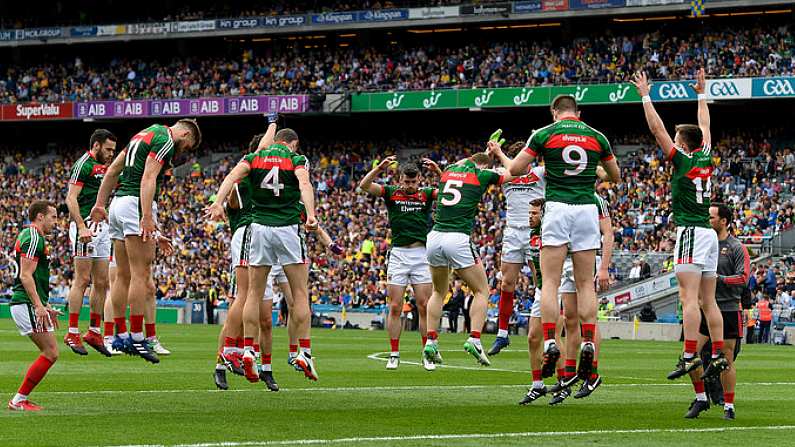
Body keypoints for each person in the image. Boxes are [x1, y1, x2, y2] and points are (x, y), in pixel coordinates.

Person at [631, 68, 728, 419]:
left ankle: (690, 354)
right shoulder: (705, 156)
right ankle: (716, 351)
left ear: (682, 143)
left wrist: (645, 95)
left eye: (677, 137)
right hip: (708, 234)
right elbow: (706, 126)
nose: (672, 139)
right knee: (708, 300)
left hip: (689, 231)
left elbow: (656, 129)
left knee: (689, 299)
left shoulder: (685, 159)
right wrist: (702, 93)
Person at [508, 94, 620, 381]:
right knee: (585, 284)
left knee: (551, 281)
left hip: (557, 208)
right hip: (585, 208)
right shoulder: (597, 136)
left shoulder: (544, 133)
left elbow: (515, 169)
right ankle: (587, 343)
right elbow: (615, 175)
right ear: (578, 113)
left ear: (554, 112)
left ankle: (549, 341)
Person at [207, 128, 319, 381]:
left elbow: (231, 177)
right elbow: (304, 183)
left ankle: (248, 350)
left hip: (258, 229)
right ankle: (304, 351)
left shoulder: (253, 160)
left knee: (251, 295)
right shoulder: (295, 159)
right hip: (286, 227)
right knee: (299, 293)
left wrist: (217, 202)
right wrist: (311, 214)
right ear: (293, 144)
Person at [91, 119, 201, 363]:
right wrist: (148, 217)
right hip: (135, 204)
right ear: (185, 133)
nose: (185, 149)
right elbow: (149, 178)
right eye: (188, 144)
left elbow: (112, 171)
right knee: (141, 273)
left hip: (118, 203)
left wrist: (100, 204)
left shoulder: (142, 135)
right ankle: (138, 337)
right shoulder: (165, 139)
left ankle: (119, 335)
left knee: (122, 275)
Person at [423, 147, 505, 369]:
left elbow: (462, 165)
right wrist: (497, 154)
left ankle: (430, 341)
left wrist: (484, 153)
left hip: (434, 237)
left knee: (438, 291)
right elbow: (512, 172)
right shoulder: (483, 174)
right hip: (457, 238)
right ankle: (475, 338)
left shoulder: (449, 171)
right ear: (484, 166)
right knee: (481, 290)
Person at [359, 156, 438, 370]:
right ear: (400, 179)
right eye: (406, 182)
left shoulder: (427, 194)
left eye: (413, 182)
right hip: (399, 255)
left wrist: (439, 170)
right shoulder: (391, 192)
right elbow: (364, 185)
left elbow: (451, 194)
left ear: (419, 179)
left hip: (421, 254)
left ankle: (427, 352)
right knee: (395, 306)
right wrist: (379, 168)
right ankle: (394, 353)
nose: (409, 186)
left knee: (424, 306)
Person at [485, 136, 545, 356]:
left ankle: (546, 330)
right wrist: (489, 154)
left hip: (535, 232)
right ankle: (502, 335)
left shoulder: (539, 173)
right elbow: (479, 171)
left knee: (541, 283)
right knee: (507, 284)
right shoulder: (505, 175)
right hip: (512, 233)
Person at [694, 203, 751, 420]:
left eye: (711, 217)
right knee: (689, 356)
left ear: (724, 221)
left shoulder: (736, 247)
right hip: (704, 309)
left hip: (727, 309)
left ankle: (728, 405)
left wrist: (719, 279)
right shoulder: (703, 244)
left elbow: (744, 278)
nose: (707, 220)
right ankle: (701, 398)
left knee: (726, 359)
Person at [64, 129, 116, 357]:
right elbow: (70, 197)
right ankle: (72, 332)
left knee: (102, 281)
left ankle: (94, 331)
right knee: (83, 279)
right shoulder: (83, 164)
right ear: (96, 145)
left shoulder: (108, 167)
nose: (111, 153)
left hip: (102, 227)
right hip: (84, 225)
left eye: (113, 150)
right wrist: (81, 226)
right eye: (108, 149)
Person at [8, 201, 61, 411]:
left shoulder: (34, 237)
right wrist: (38, 306)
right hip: (26, 303)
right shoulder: (32, 237)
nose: (56, 222)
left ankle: (20, 399)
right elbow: (25, 275)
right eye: (53, 217)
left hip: (29, 302)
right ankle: (18, 400)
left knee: (51, 352)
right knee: (51, 352)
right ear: (40, 216)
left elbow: (34, 278)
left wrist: (45, 305)